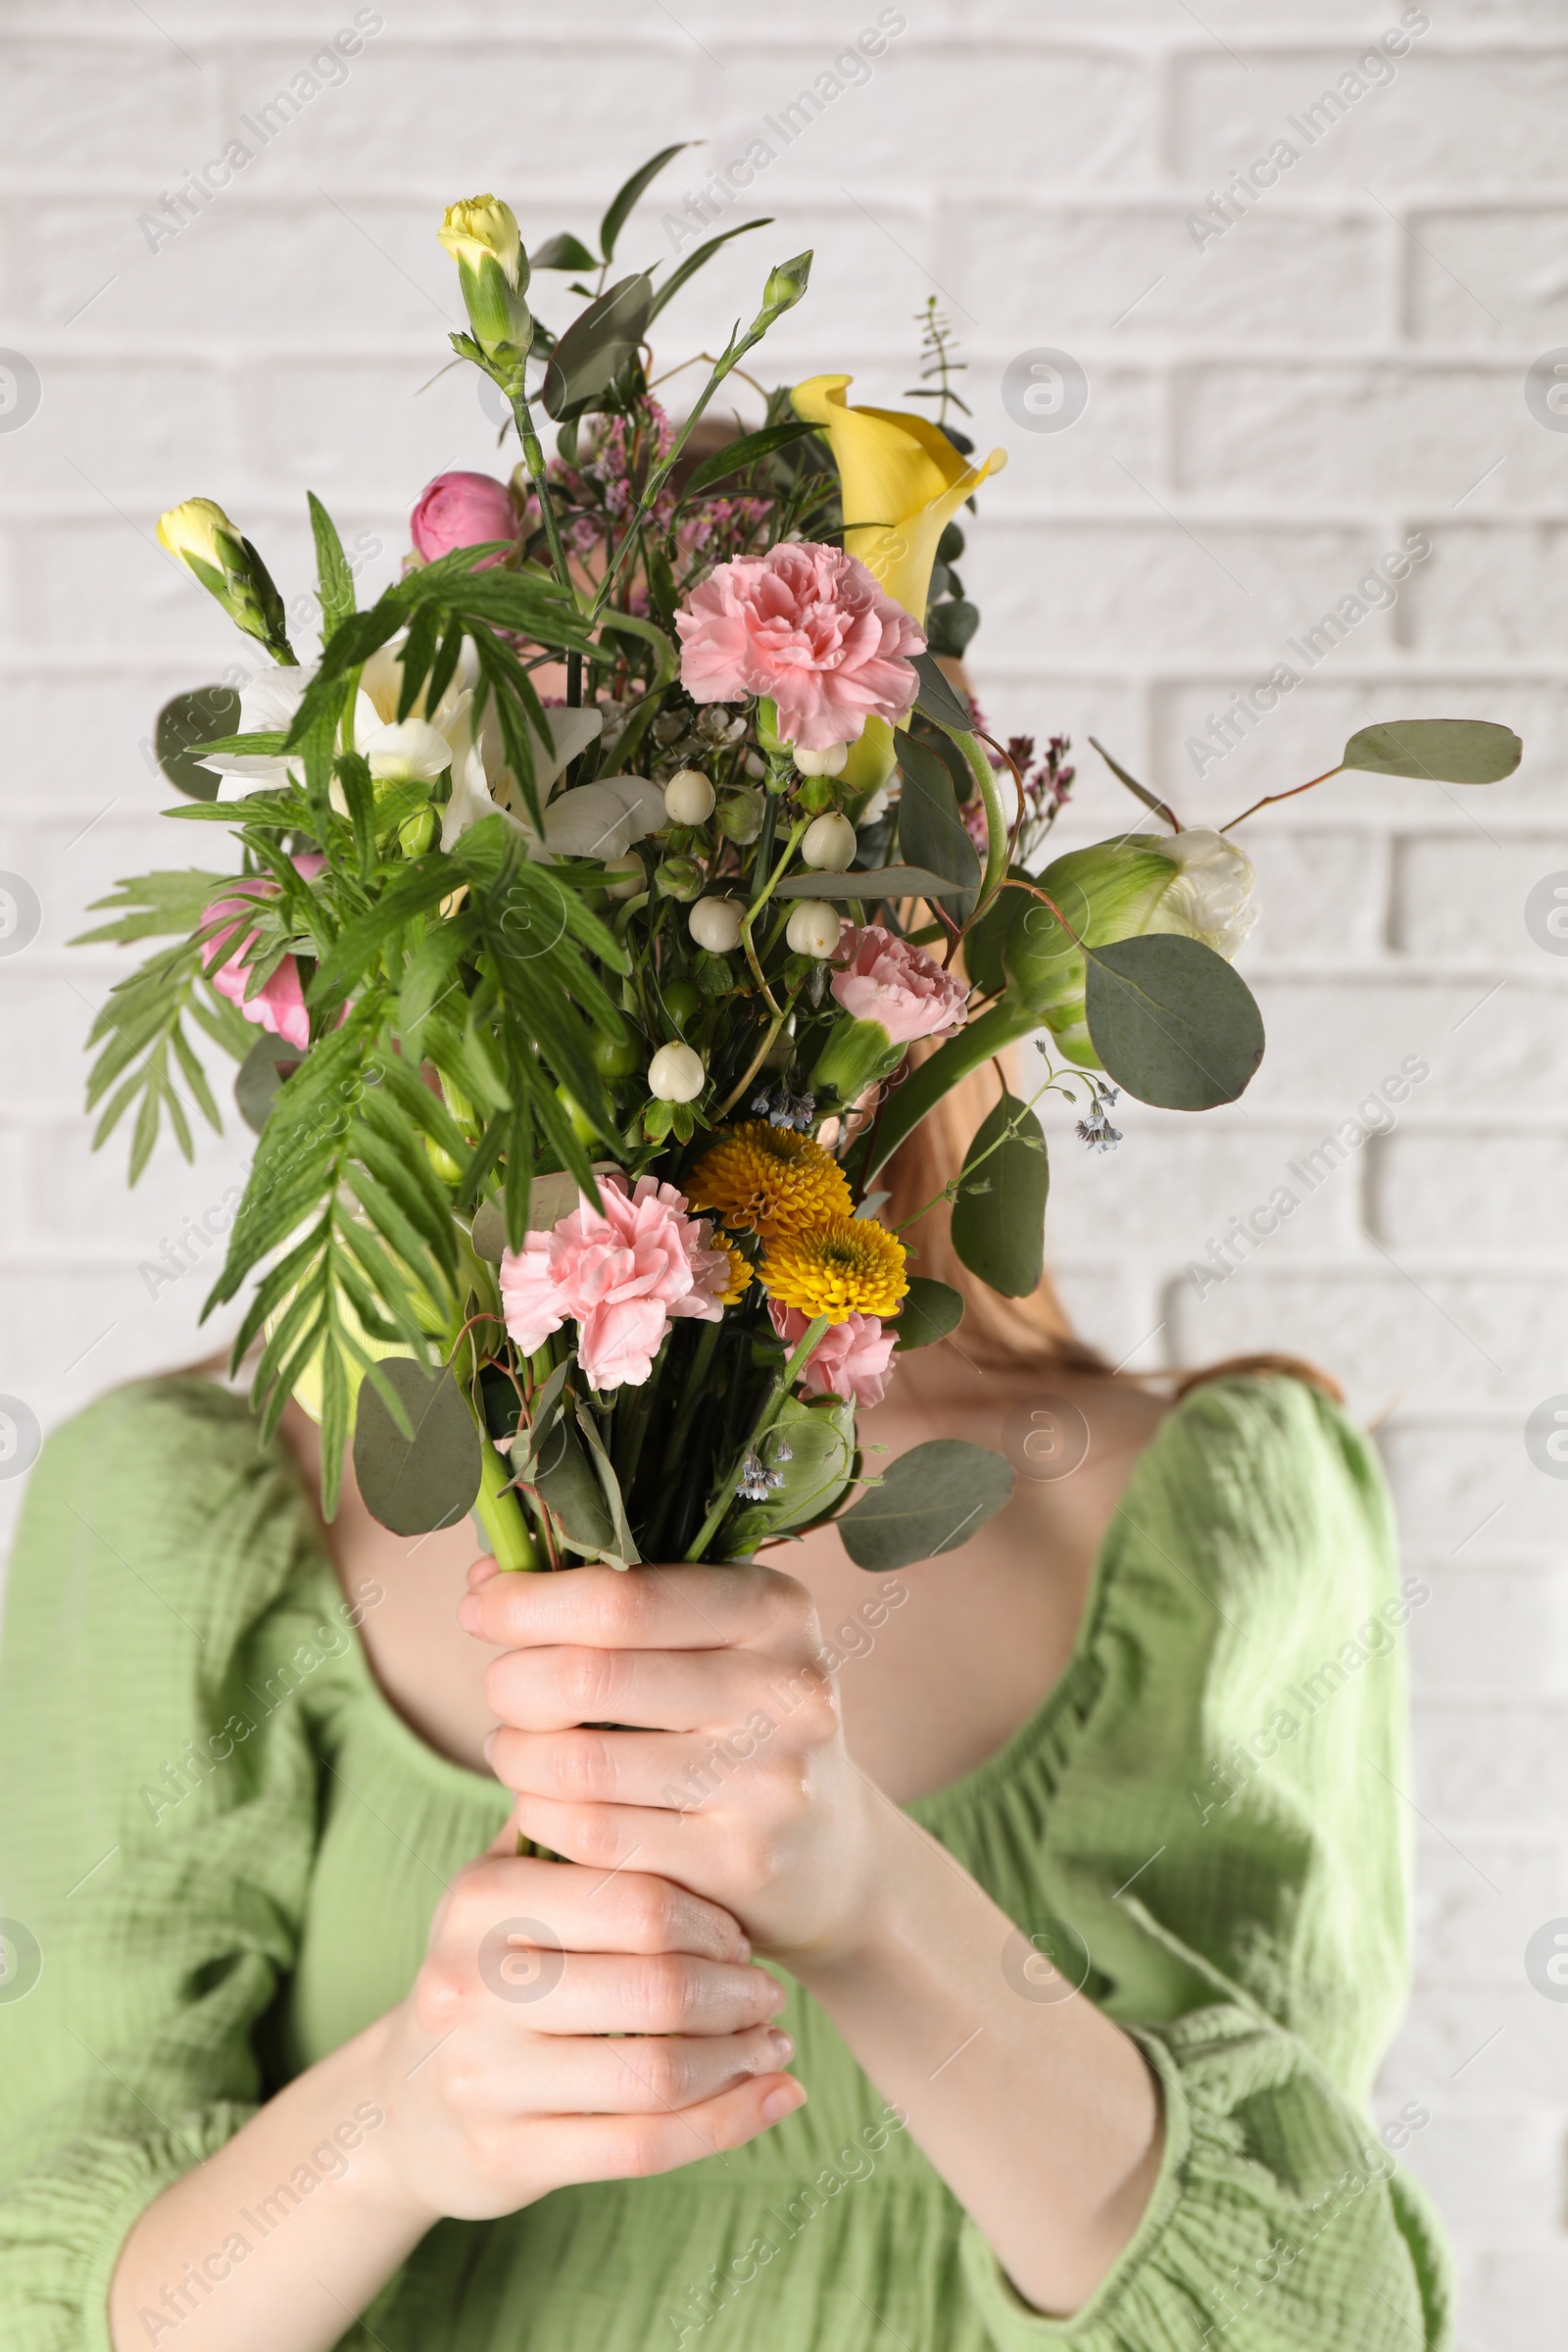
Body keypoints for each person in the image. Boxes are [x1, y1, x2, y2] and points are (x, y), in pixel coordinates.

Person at [0, 1056, 1449, 2351]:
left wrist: (874, 1903)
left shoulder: (1193, 1513)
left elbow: (1306, 2316)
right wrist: (392, 2126)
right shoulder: (199, 1510)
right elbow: (52, 2301)